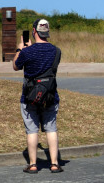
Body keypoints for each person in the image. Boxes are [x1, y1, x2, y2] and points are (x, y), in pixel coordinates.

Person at [13, 19, 63, 174]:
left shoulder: (27, 52)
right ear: (47, 32)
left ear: (34, 31)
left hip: (30, 97)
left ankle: (33, 164)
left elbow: (15, 66)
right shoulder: (56, 51)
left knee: (32, 130)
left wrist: (20, 49)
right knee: (51, 128)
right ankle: (54, 164)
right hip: (50, 96)